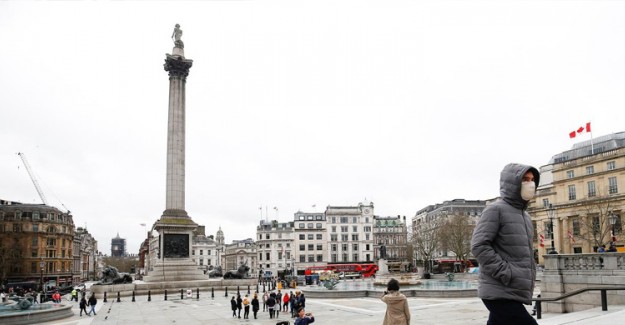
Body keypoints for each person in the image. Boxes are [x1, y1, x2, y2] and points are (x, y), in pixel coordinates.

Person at [471, 163, 540, 325]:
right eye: (525, 179)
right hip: (499, 290)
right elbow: (479, 245)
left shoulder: (526, 216)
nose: (530, 183)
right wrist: (505, 272)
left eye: (532, 180)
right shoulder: (495, 209)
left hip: (512, 290)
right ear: (512, 183)